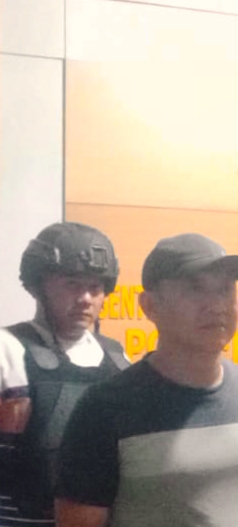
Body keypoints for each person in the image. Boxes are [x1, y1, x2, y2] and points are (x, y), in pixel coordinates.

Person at [55, 233, 238, 527]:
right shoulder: (104, 408)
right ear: (150, 306)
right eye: (195, 289)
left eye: (225, 290)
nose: (216, 305)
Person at [0, 221, 129, 527]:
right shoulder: (7, 349)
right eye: (72, 284)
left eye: (95, 287)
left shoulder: (118, 359)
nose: (85, 298)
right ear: (38, 286)